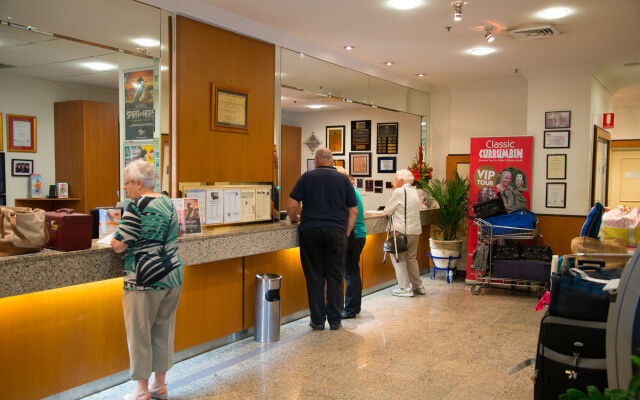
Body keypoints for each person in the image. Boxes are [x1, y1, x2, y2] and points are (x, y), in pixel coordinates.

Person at [111, 160, 184, 400]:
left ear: (138, 183)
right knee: (163, 329)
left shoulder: (137, 206)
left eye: (126, 184)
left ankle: (142, 390)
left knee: (140, 332)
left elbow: (120, 245)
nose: (125, 189)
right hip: (172, 274)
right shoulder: (167, 201)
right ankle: (159, 385)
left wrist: (111, 240)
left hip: (144, 278)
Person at [287, 148, 358, 330]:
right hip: (336, 232)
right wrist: (346, 232)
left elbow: (292, 204)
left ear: (316, 161)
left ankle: (317, 320)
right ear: (332, 161)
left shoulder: (306, 177)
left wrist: (294, 219)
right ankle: (335, 320)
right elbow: (353, 210)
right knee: (335, 276)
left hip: (310, 231)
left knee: (314, 276)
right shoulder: (343, 179)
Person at [383, 169, 424, 297]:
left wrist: (394, 192)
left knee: (399, 259)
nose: (394, 182)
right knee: (411, 258)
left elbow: (387, 211)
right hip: (415, 231)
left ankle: (405, 288)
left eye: (396, 179)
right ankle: (418, 286)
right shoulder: (416, 191)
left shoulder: (399, 192)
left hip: (401, 231)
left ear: (401, 180)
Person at [336, 167, 366, 319]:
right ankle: (354, 307)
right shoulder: (351, 189)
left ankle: (350, 309)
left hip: (354, 236)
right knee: (352, 272)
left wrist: (345, 236)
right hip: (357, 235)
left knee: (350, 273)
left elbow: (350, 214)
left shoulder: (348, 191)